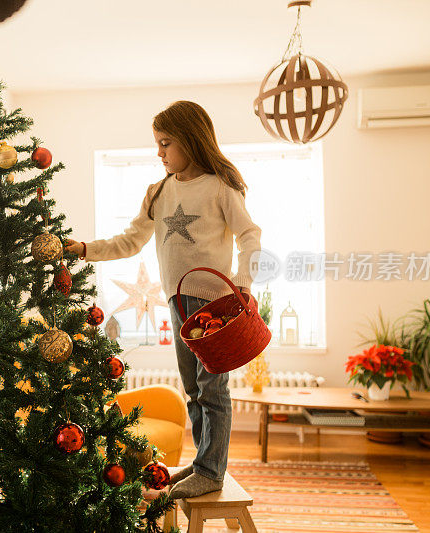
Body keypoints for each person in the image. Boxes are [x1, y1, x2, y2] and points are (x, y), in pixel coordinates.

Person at [65, 100, 262, 499]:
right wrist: (84, 249)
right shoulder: (158, 192)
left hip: (215, 304)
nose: (159, 152)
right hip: (178, 302)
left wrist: (243, 281)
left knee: (213, 390)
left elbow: (250, 235)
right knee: (193, 388)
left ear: (191, 140)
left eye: (166, 143)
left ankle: (211, 471)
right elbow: (130, 241)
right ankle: (204, 461)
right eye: (157, 144)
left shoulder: (220, 187)